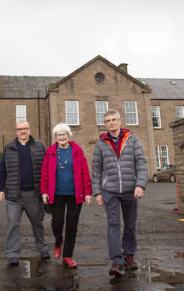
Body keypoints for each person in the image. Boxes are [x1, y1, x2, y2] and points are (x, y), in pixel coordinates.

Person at [91, 109, 148, 278]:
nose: (111, 123)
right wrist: (97, 193)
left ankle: (128, 255)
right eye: (108, 120)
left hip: (131, 190)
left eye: (114, 119)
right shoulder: (100, 143)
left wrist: (140, 185)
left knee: (130, 224)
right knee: (114, 225)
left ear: (120, 121)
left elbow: (141, 163)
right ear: (105, 124)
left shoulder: (132, 138)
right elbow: (96, 169)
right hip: (110, 191)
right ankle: (117, 261)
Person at [0, 121, 50, 266]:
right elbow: (3, 169)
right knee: (13, 224)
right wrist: (0, 189)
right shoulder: (9, 147)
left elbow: (46, 169)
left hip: (34, 194)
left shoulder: (39, 146)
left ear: (29, 129)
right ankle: (13, 254)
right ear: (16, 131)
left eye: (25, 128)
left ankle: (43, 249)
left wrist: (47, 190)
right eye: (20, 129)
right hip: (14, 194)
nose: (23, 131)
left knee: (37, 223)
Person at [41, 123, 92, 269]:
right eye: (59, 135)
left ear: (68, 136)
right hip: (56, 194)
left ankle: (68, 256)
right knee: (57, 223)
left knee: (72, 225)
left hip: (75, 195)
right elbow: (44, 173)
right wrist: (44, 191)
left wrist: (88, 192)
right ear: (55, 137)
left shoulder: (77, 150)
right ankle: (58, 241)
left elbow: (85, 172)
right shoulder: (50, 152)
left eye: (64, 134)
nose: (62, 137)